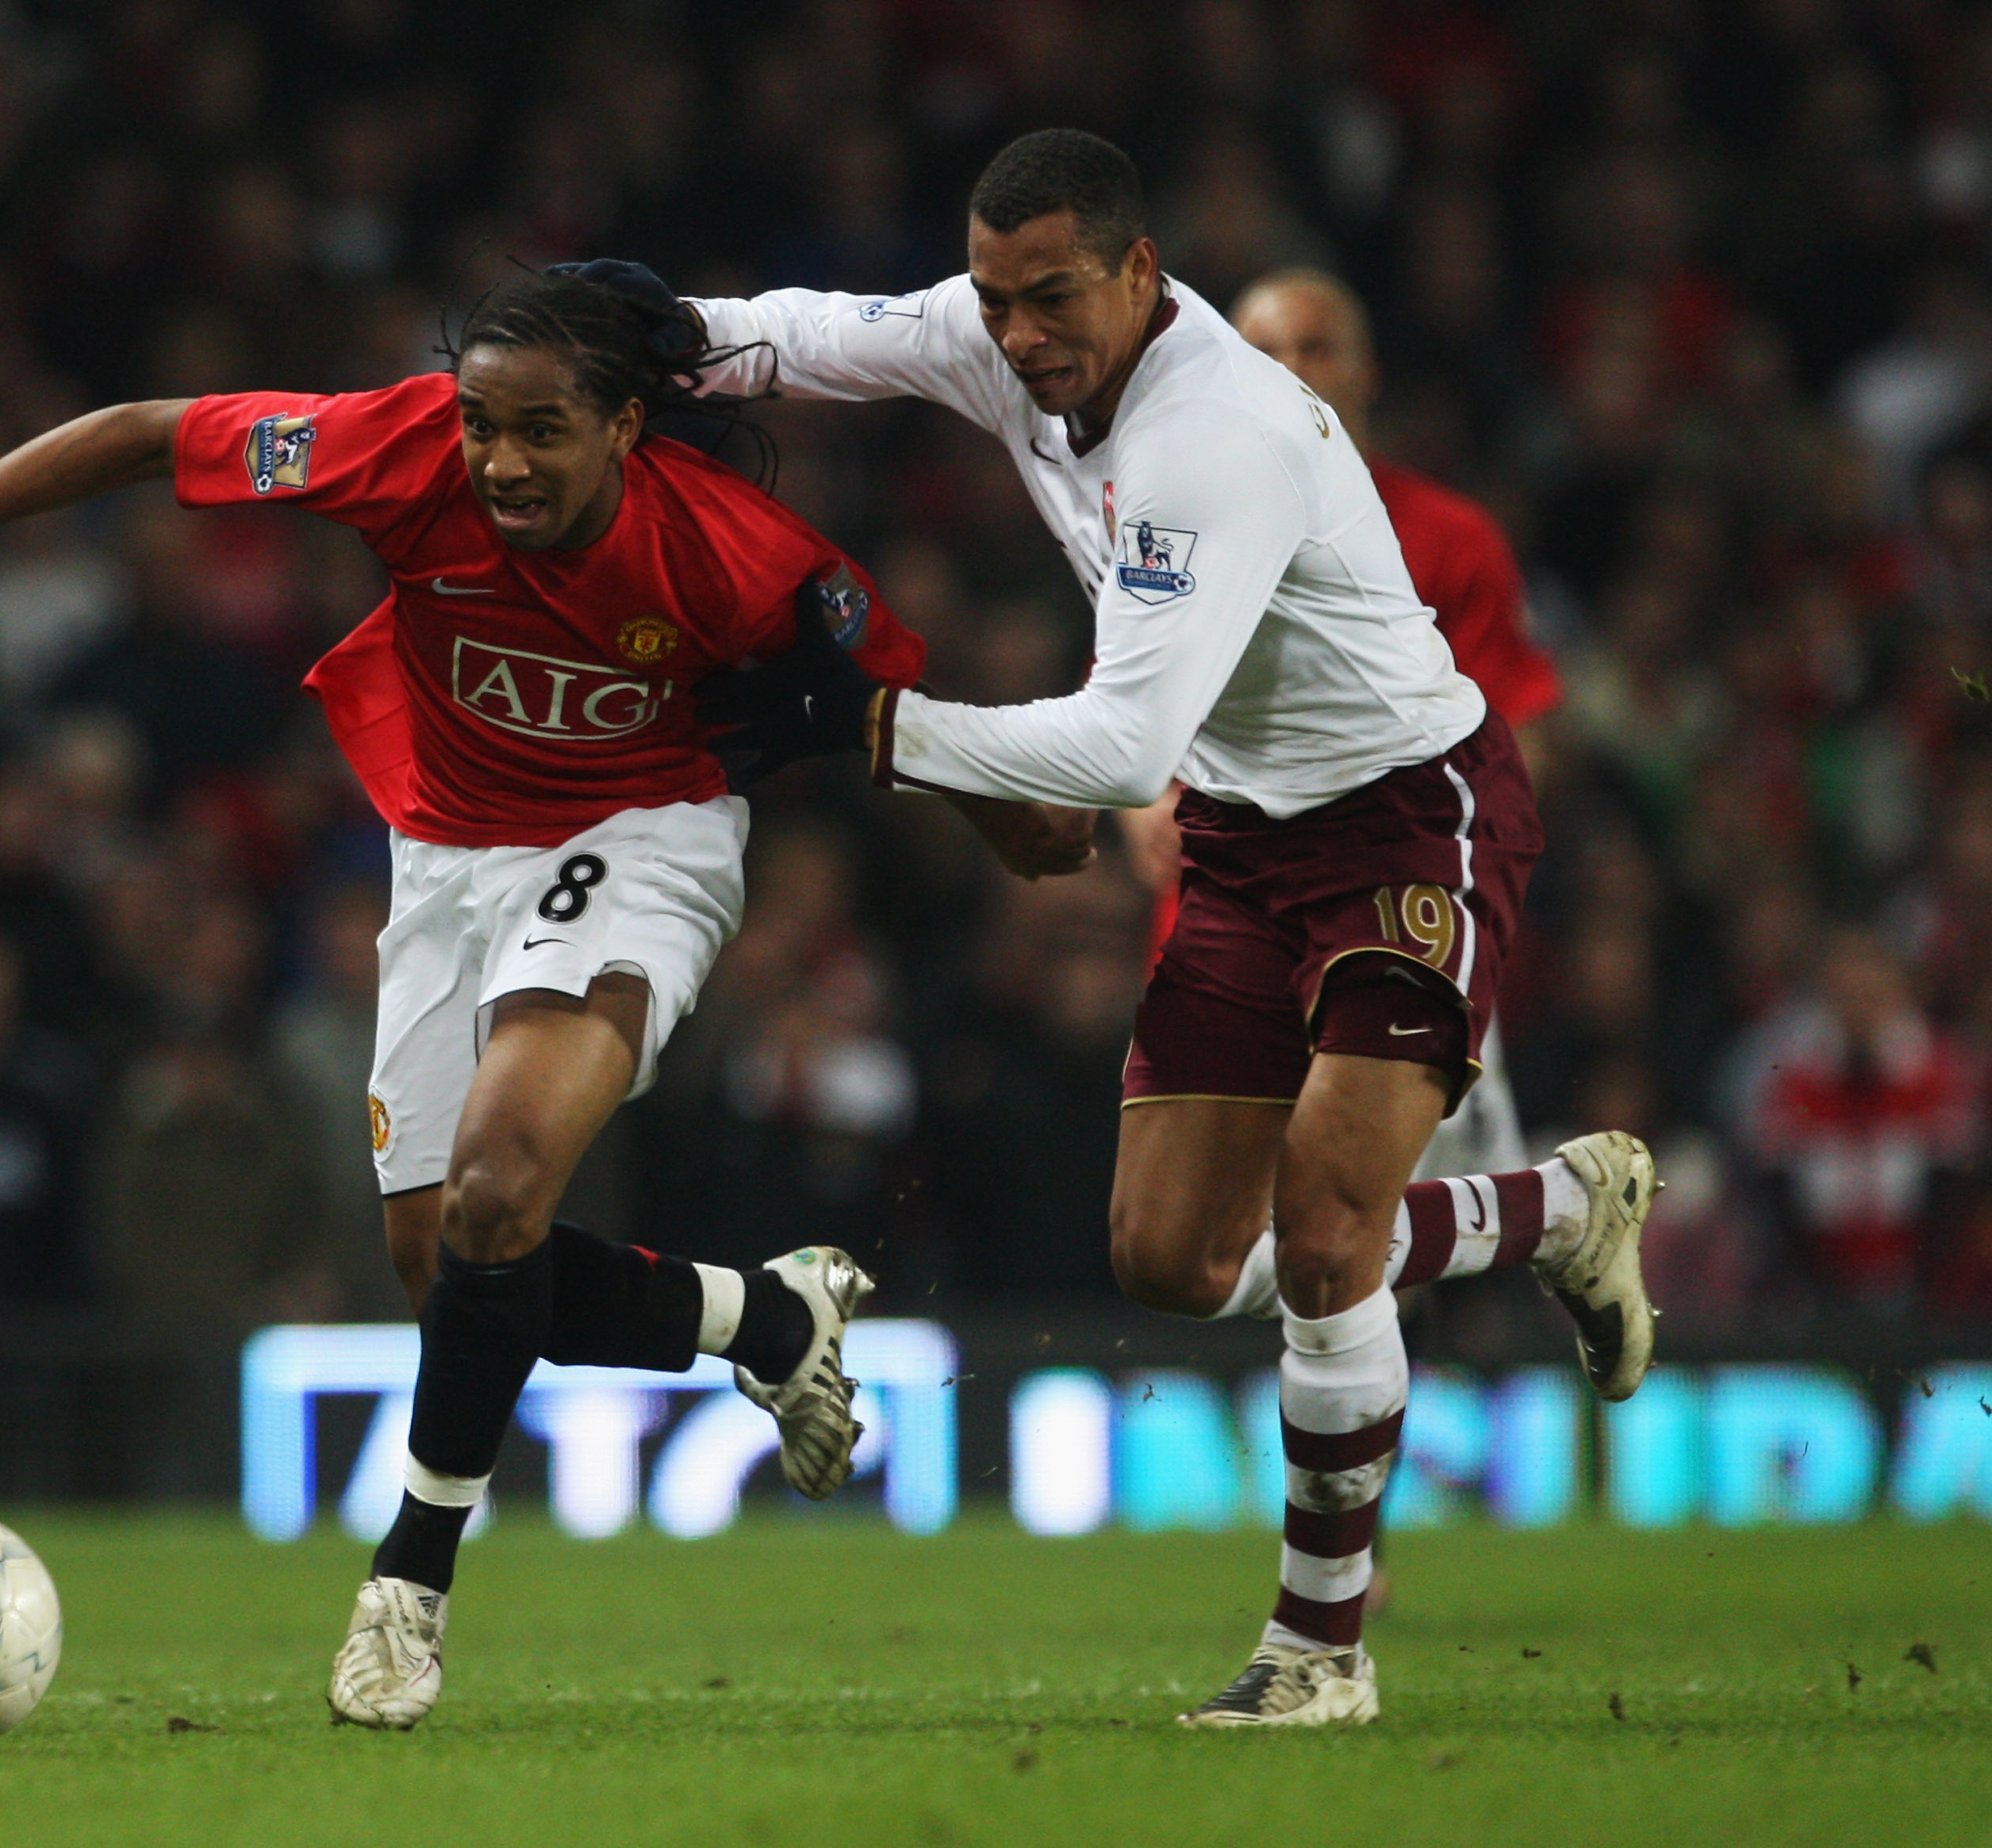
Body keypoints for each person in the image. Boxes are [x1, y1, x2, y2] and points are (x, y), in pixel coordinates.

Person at [0, 268, 1086, 1732]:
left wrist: (1017, 817)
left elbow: (880, 700)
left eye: (541, 431)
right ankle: (764, 1323)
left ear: (623, 425)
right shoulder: (395, 449)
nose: (502, 462)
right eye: (483, 425)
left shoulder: (735, 558)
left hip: (638, 841)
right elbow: (157, 433)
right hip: (445, 850)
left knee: (497, 1190)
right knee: (454, 1269)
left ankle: (404, 1592)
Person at [678, 129, 1658, 1727]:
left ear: (1143, 272)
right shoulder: (1007, 341)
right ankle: (1551, 1211)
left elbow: (1119, 750)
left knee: (1331, 1233)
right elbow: (805, 331)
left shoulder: (1221, 429)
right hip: (1240, 836)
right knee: (1174, 1260)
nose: (1017, 334)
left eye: (1051, 296)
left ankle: (1319, 1650)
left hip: (1406, 815)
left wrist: (867, 727)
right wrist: (642, 333)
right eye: (996, 297)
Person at [1227, 267, 1563, 1181]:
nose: (1291, 371)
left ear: (1366, 372)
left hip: (1400, 927)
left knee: (1373, 1226)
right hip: (1234, 938)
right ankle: (1563, 1208)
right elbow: (1134, 721)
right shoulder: (1178, 530)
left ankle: (1545, 1214)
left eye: (1315, 346)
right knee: (1203, 1240)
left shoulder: (1451, 538)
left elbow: (1515, 745)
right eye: (1262, 353)